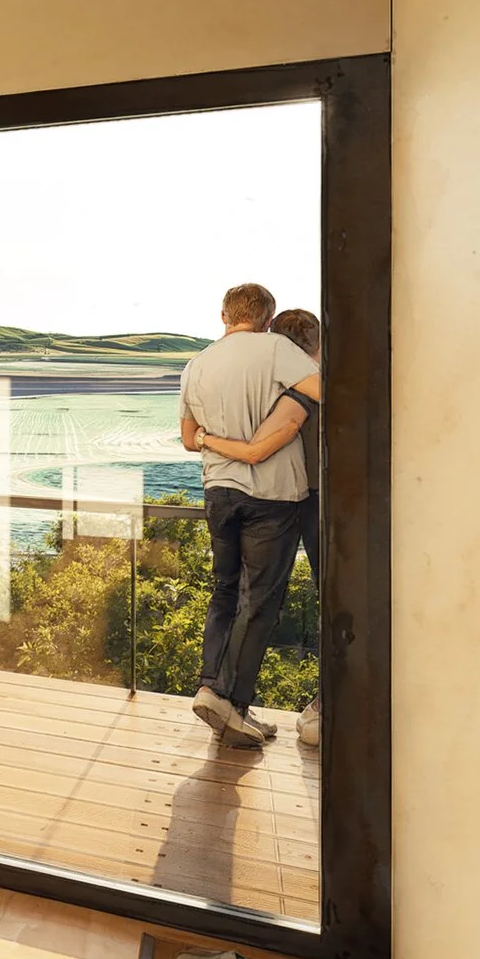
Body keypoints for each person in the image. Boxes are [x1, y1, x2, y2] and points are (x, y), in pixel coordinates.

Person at [177, 284, 317, 749]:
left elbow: (189, 438)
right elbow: (324, 390)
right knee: (258, 602)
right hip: (272, 495)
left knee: (225, 592)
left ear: (224, 315)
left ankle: (213, 691)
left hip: (218, 491)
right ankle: (229, 699)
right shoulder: (275, 348)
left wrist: (213, 441)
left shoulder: (197, 364)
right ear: (267, 318)